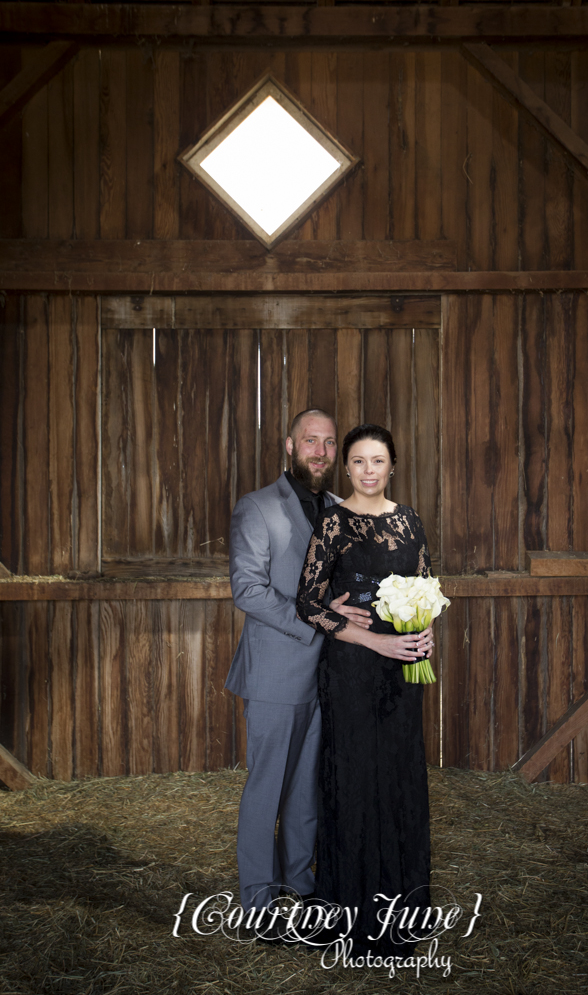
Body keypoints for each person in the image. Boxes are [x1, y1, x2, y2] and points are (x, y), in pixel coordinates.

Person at [226, 408, 372, 915]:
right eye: (310, 441)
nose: (320, 451)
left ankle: (298, 885)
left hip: (327, 676)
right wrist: (313, 618)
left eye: (329, 443)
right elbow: (247, 590)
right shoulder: (257, 507)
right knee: (267, 789)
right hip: (274, 673)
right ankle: (258, 903)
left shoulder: (340, 508)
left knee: (307, 790)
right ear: (289, 446)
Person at [296, 423, 434, 957]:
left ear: (392, 465)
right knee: (354, 779)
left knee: (400, 777)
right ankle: (351, 918)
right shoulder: (333, 522)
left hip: (403, 674)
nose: (368, 471)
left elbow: (426, 587)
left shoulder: (411, 521)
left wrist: (424, 632)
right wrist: (371, 641)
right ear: (346, 468)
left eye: (377, 461)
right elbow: (307, 603)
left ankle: (403, 916)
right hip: (352, 670)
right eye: (357, 462)